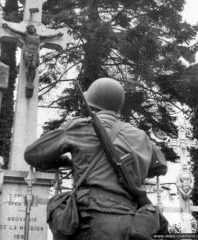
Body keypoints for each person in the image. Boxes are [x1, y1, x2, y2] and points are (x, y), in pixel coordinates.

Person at [24, 77, 168, 240]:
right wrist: (129, 169)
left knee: (57, 202)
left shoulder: (79, 126)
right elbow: (160, 166)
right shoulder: (140, 136)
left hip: (88, 223)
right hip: (129, 223)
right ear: (118, 106)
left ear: (91, 103)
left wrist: (67, 160)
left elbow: (32, 155)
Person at [2, 23, 63, 97]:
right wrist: (8, 27)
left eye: (32, 28)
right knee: (29, 66)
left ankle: (31, 82)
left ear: (34, 29)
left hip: (35, 53)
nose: (31, 29)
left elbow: (48, 36)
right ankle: (28, 82)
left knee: (33, 66)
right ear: (28, 30)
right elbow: (16, 31)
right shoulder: (26, 35)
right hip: (27, 51)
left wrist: (57, 35)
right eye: (30, 28)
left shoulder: (38, 36)